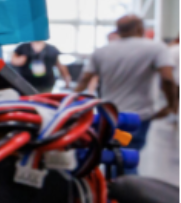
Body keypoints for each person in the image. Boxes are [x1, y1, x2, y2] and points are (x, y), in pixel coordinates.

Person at [75, 15, 178, 173]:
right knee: (127, 158)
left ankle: (108, 190)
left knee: (111, 155)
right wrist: (172, 105)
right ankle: (123, 194)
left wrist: (69, 104)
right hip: (139, 116)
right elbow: (167, 79)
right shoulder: (156, 48)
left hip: (109, 114)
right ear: (140, 28)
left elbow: (84, 79)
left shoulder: (102, 51)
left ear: (118, 30)